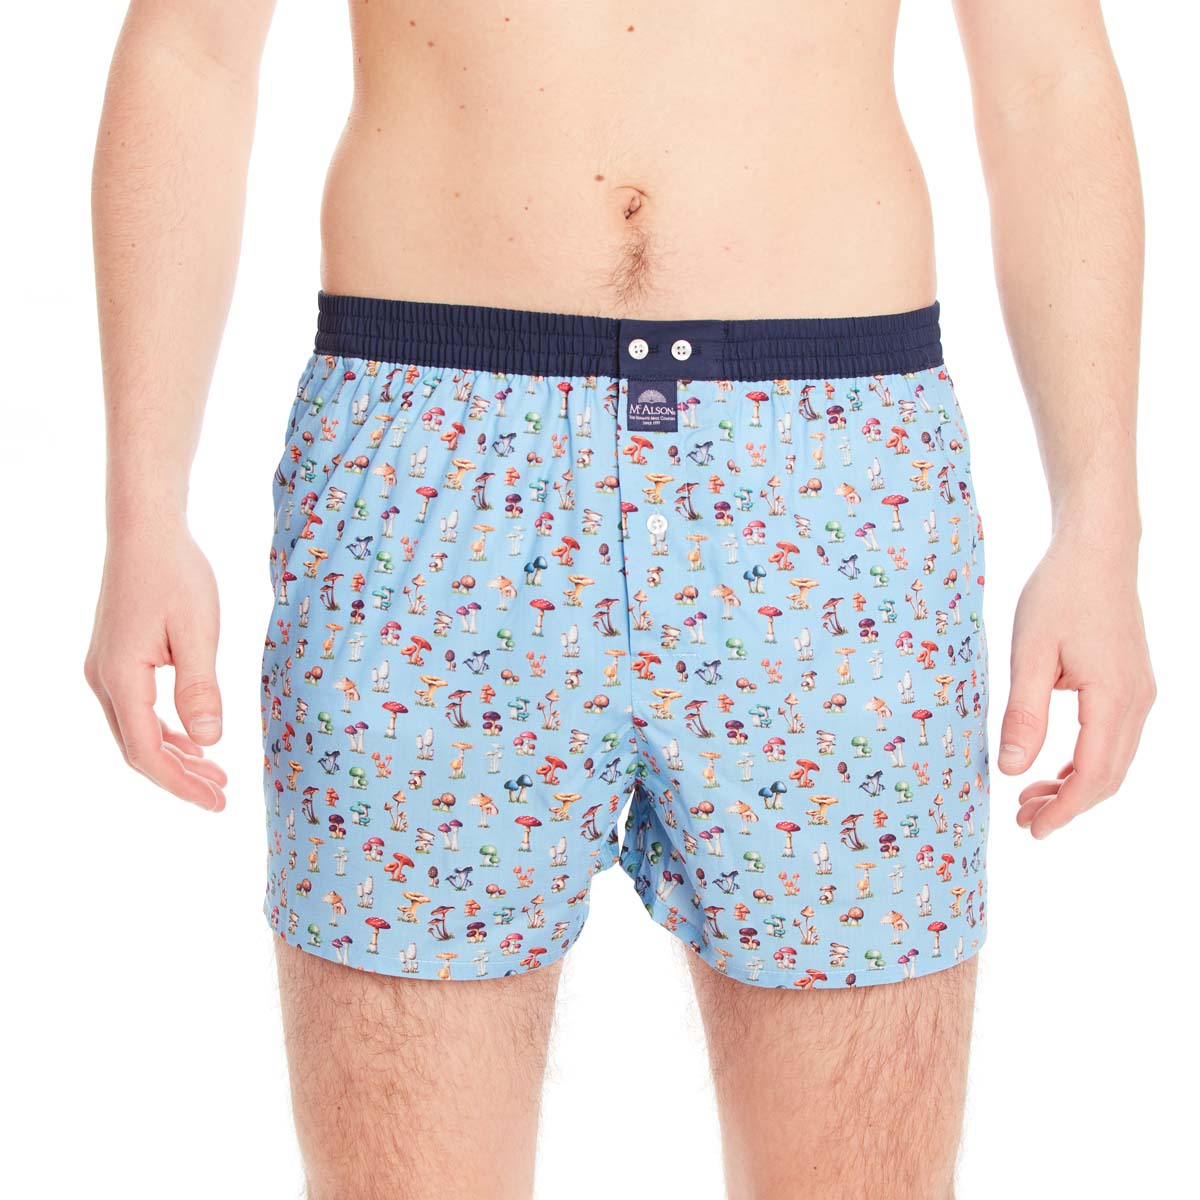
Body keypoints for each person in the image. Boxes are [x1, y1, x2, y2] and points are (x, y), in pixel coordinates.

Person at [84, 2, 1155, 1197]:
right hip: (431, 463)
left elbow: (1049, 80)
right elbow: (190, 54)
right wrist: (144, 510)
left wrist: (1099, 528)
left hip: (832, 475)